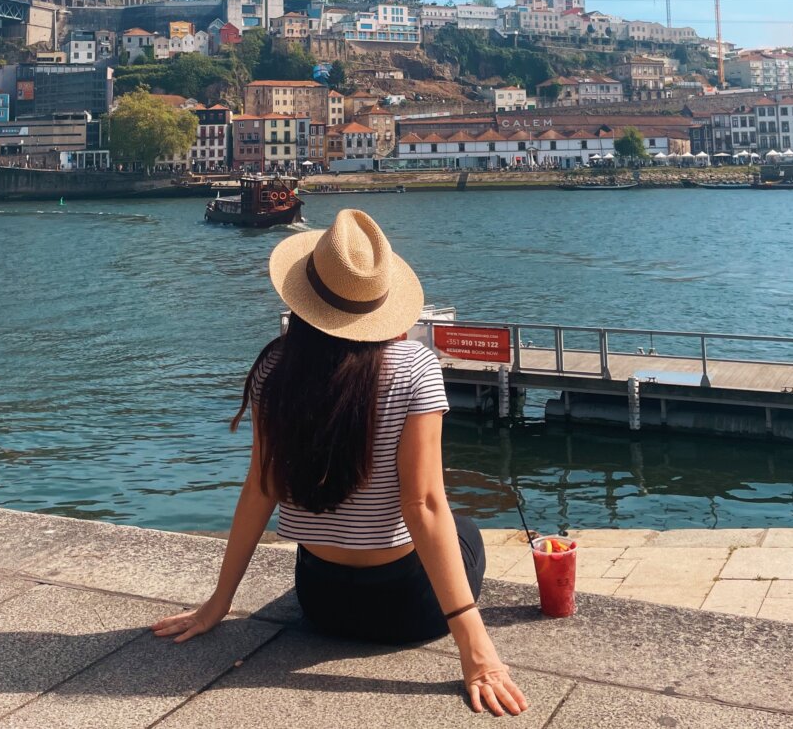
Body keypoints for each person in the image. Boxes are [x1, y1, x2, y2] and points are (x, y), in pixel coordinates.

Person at [152, 209, 528, 716]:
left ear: (306, 299)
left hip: (322, 601)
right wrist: (477, 652)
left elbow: (260, 489)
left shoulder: (274, 367)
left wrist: (219, 603)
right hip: (408, 610)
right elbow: (423, 506)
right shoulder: (414, 368)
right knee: (465, 528)